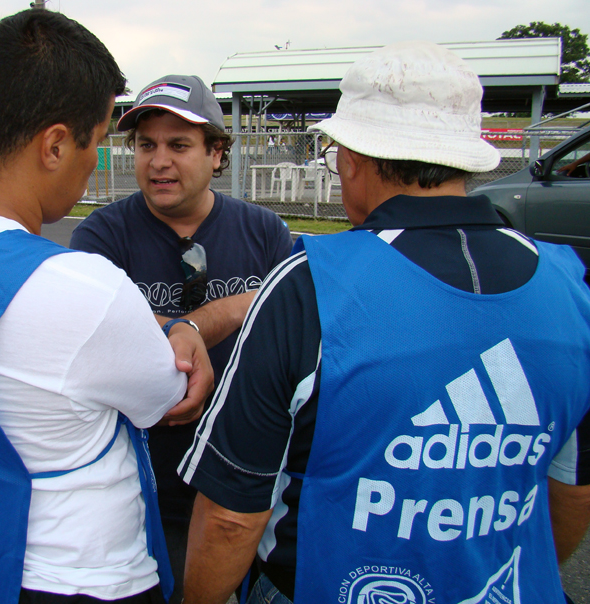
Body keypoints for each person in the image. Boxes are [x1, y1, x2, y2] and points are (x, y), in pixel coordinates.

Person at [179, 40, 590, 604]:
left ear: (352, 159)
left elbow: (232, 515)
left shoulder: (310, 284)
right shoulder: (571, 285)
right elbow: (572, 489)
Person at [0, 10, 213, 604]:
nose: (95, 163)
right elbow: (168, 394)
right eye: (97, 142)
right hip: (80, 577)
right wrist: (190, 329)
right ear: (56, 145)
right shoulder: (78, 286)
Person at [70, 74, 293, 601]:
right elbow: (99, 327)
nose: (159, 162)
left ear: (216, 153)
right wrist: (221, 313)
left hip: (245, 484)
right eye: (146, 145)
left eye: (178, 145)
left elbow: (293, 327)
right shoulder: (101, 235)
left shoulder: (264, 231)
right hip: (145, 485)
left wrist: (201, 321)